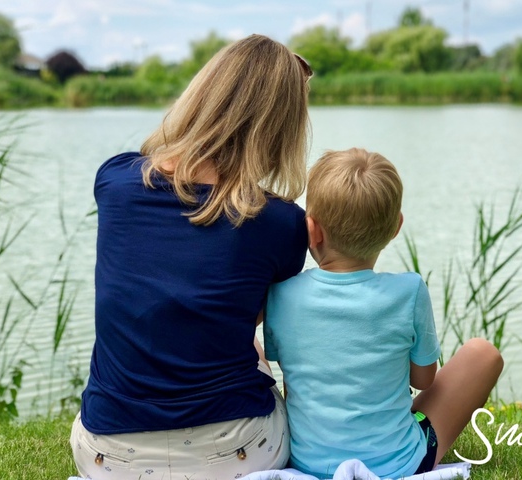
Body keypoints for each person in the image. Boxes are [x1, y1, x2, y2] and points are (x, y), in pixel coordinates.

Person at [70, 34, 314, 480]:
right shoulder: (283, 223)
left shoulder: (115, 181)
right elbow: (250, 315)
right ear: (282, 127)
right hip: (239, 454)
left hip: (109, 458)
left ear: (199, 95)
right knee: (251, 346)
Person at [264, 148, 504, 479]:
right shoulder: (409, 291)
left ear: (312, 229)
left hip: (309, 463)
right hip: (403, 464)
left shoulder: (281, 294)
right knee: (483, 354)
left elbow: (292, 383)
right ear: (396, 228)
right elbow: (423, 380)